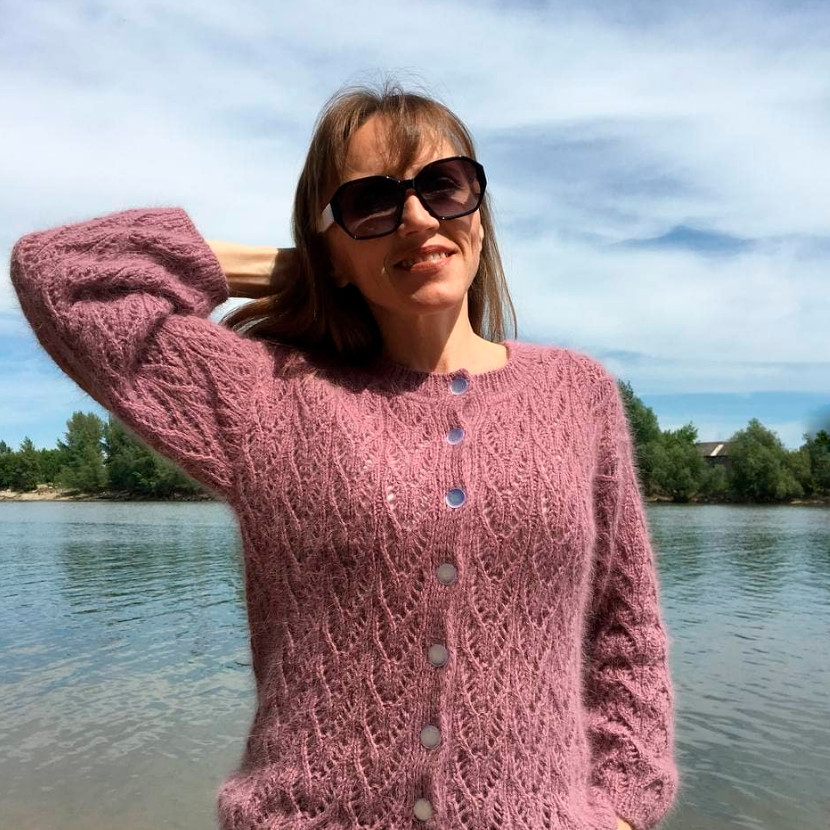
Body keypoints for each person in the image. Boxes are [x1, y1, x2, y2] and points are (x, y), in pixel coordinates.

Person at [9, 81, 680, 830]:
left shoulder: (576, 394)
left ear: (481, 213)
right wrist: (296, 268)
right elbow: (59, 274)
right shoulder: (269, 395)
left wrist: (621, 810)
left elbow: (625, 625)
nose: (419, 217)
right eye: (370, 204)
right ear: (329, 246)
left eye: (444, 187)